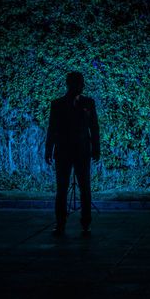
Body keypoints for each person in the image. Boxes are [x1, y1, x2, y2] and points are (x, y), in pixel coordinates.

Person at [45, 71, 101, 236]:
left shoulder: (88, 103)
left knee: (84, 188)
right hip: (64, 151)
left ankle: (85, 223)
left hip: (81, 151)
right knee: (62, 189)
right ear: (71, 85)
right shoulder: (57, 104)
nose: (83, 86)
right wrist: (48, 149)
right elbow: (52, 128)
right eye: (80, 83)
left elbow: (94, 126)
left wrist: (96, 148)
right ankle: (61, 223)